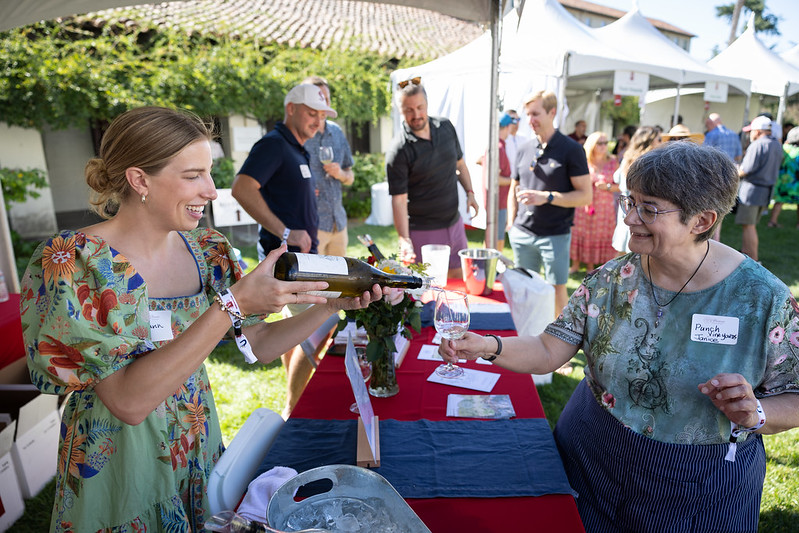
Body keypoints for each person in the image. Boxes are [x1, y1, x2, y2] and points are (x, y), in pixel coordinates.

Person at [19, 106, 384, 531]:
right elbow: (129, 403)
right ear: (140, 180)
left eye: (210, 173)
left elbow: (259, 344)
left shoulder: (207, 251)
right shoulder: (74, 263)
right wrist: (232, 304)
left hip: (197, 445)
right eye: (193, 175)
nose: (212, 191)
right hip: (117, 465)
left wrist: (331, 307)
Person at [441, 141, 799, 532]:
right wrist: (486, 346)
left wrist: (758, 413)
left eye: (649, 209)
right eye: (631, 202)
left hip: (695, 485)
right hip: (592, 457)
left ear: (701, 221)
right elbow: (547, 349)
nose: (629, 218)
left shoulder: (763, 300)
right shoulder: (613, 278)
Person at [231, 83, 338, 418]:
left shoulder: (298, 147)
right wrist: (287, 231)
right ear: (290, 108)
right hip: (289, 263)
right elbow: (242, 188)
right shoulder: (274, 144)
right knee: (318, 327)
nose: (317, 121)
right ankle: (294, 409)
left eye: (322, 116)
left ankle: (295, 399)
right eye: (311, 113)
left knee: (296, 332)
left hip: (304, 257)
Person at [507, 90, 591, 318]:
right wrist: (510, 223)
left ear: (552, 112)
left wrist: (548, 197)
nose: (530, 120)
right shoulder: (524, 148)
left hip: (555, 235)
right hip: (522, 233)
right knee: (525, 288)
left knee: (556, 290)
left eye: (535, 114)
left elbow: (585, 196)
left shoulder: (571, 149)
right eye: (527, 115)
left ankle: (559, 345)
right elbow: (514, 186)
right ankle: (528, 338)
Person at [386, 79, 478, 278]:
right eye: (409, 109)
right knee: (428, 291)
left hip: (455, 224)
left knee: (461, 280)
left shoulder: (445, 127)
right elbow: (399, 200)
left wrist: (470, 192)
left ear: (427, 105)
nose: (416, 114)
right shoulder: (399, 149)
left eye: (420, 107)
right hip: (424, 232)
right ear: (400, 110)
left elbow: (460, 165)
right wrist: (404, 238)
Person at [301, 76, 355, 256]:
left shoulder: (337, 132)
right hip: (311, 227)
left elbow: (350, 176)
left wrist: (340, 174)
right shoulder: (300, 137)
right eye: (318, 98)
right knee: (313, 283)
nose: (324, 103)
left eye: (327, 98)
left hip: (338, 224)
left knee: (340, 281)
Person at [569, 131, 619, 274]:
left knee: (597, 235)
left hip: (603, 206)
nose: (603, 146)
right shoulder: (584, 160)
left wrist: (607, 187)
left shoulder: (613, 161)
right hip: (584, 204)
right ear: (592, 145)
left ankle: (591, 266)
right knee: (580, 232)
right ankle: (576, 264)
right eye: (600, 143)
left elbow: (621, 185)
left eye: (605, 142)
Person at [736, 115, 783, 261]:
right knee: (751, 225)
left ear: (758, 131)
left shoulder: (757, 145)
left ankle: (753, 260)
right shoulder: (777, 144)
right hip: (766, 191)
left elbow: (745, 170)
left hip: (753, 191)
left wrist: (731, 172)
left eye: (751, 131)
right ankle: (746, 255)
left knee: (748, 226)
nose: (750, 134)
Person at [611, 126, 662, 254]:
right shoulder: (648, 164)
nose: (661, 143)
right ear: (649, 141)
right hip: (640, 209)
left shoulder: (628, 158)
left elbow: (616, 178)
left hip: (626, 207)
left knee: (625, 249)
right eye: (658, 139)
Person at [477, 112, 514, 250]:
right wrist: (514, 181)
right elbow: (494, 179)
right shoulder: (498, 147)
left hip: (496, 201)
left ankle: (485, 266)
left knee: (492, 238)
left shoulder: (496, 146)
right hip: (498, 202)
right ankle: (493, 268)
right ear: (507, 127)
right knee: (496, 241)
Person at [767, 126, 799, 229]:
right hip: (796, 183)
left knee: (779, 201)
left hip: (782, 182)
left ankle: (772, 221)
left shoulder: (784, 149)